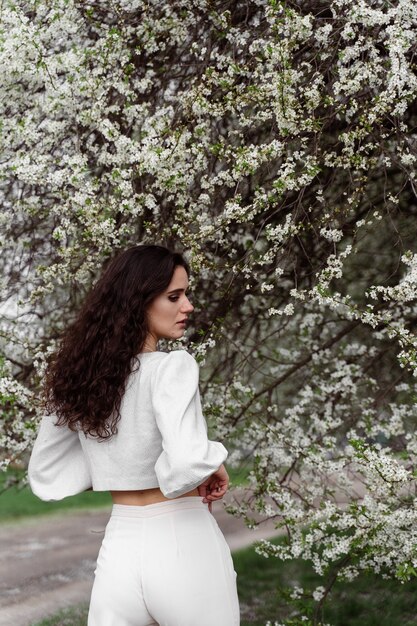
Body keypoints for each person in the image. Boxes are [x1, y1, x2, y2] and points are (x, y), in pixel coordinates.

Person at [28, 244, 240, 626]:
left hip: (120, 548)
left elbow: (46, 470)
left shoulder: (80, 380)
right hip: (183, 542)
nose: (188, 306)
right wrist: (213, 462)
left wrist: (112, 465)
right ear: (137, 302)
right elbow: (187, 463)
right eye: (174, 296)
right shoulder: (171, 368)